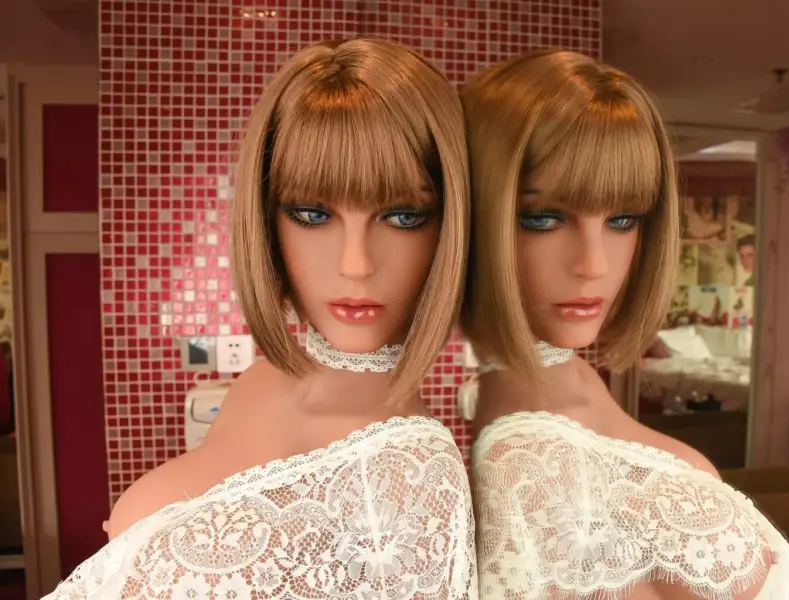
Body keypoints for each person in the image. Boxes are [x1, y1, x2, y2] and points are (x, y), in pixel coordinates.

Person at [46, 38, 475, 599]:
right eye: (312, 213)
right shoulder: (264, 381)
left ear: (449, 226)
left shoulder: (409, 480)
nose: (356, 264)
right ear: (267, 220)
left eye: (403, 216)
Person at [462, 49, 789, 599]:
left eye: (623, 219)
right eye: (542, 218)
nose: (594, 264)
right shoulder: (547, 473)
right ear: (475, 216)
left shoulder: (555, 400)